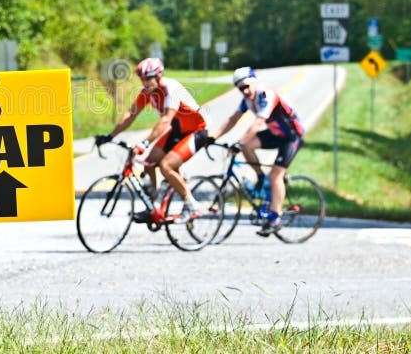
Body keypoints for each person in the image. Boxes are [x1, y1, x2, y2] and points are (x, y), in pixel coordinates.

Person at [95, 57, 209, 223]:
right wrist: (110, 136)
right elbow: (130, 115)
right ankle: (153, 208)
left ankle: (191, 204)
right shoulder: (148, 93)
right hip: (178, 130)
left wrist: (145, 143)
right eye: (142, 79)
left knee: (166, 166)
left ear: (158, 76)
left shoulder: (171, 88)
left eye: (148, 79)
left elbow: (166, 120)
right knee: (149, 162)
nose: (145, 83)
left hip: (197, 131)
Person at [209, 66, 305, 236]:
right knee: (248, 146)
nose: (245, 91)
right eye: (240, 89)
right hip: (276, 133)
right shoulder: (247, 100)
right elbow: (233, 119)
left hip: (292, 136)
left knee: (276, 175)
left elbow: (259, 122)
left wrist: (240, 142)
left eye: (246, 86)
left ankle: (275, 217)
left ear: (255, 82)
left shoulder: (265, 94)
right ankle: (261, 177)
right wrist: (213, 136)